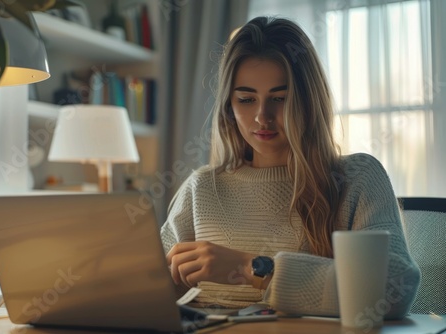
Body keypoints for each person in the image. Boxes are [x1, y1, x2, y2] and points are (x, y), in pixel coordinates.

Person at [160, 16, 420, 318]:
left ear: (309, 101)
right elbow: (145, 284)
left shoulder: (356, 178)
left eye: (280, 98)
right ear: (228, 106)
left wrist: (250, 268)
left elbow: (396, 287)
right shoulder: (201, 187)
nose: (262, 117)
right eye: (246, 99)